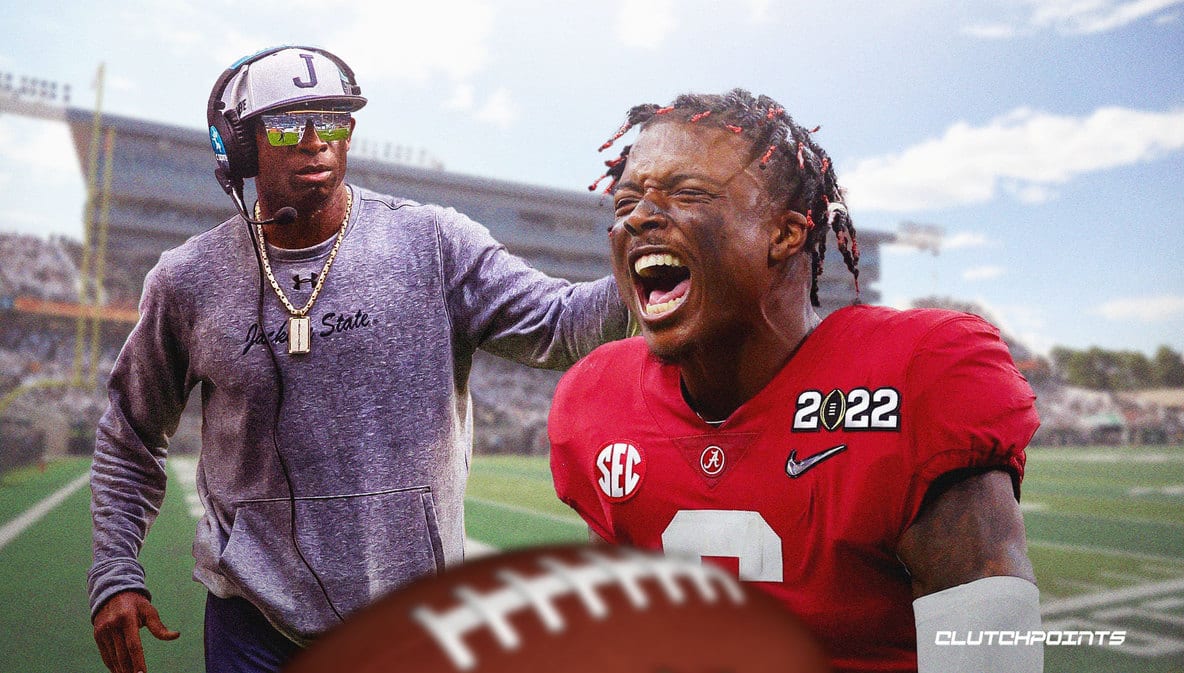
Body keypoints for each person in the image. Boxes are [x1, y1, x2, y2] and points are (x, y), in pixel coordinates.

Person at [88, 46, 632, 673]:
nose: (317, 142)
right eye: (291, 126)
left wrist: (652, 252)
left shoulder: (433, 244)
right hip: (254, 628)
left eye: (335, 121)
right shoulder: (189, 280)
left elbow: (563, 325)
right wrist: (114, 569)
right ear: (239, 148)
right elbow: (130, 433)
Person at [549, 90, 1043, 673]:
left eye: (687, 193)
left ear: (784, 234)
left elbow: (988, 658)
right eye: (625, 202)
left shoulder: (920, 371)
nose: (637, 217)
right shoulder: (596, 394)